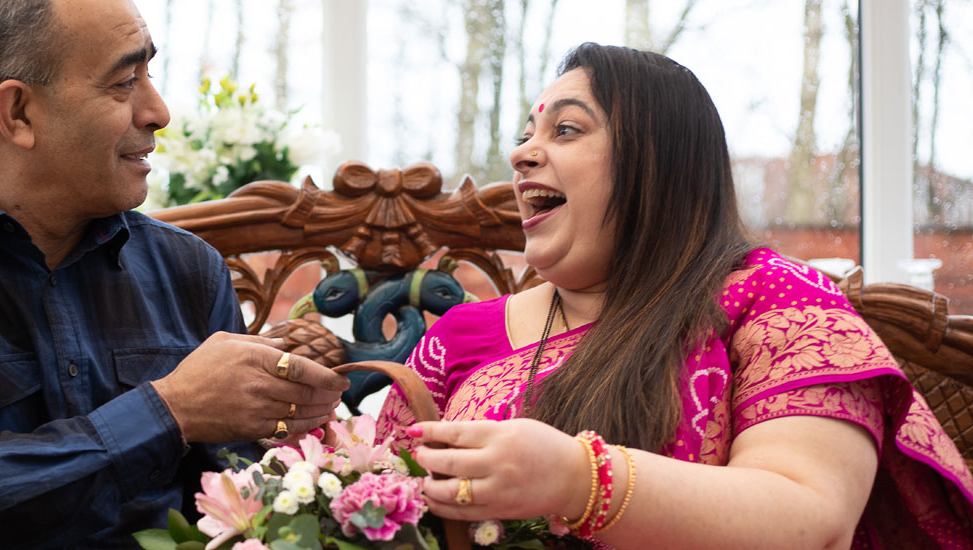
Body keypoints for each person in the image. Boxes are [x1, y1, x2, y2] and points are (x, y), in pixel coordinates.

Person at [376, 43, 973, 549]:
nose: (522, 153)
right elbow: (372, 503)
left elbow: (811, 518)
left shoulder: (778, 301)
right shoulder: (457, 335)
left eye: (565, 129)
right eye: (527, 133)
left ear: (658, 161)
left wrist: (577, 479)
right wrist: (296, 429)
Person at [0, 0, 349, 548]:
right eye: (123, 82)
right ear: (18, 113)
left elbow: (233, 508)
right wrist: (170, 410)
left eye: (149, 76)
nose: (158, 111)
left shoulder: (189, 270)